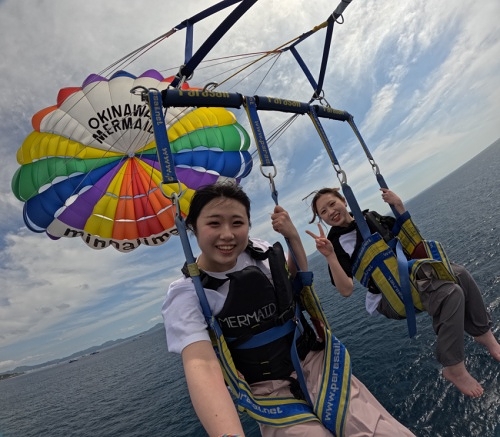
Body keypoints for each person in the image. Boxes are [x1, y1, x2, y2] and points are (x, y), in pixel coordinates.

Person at [162, 182, 416, 437]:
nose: (227, 234)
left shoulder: (259, 250)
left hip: (316, 363)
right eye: (214, 223)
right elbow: (202, 363)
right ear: (192, 227)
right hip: (269, 391)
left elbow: (294, 283)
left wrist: (292, 236)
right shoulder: (186, 294)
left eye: (237, 223)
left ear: (248, 225)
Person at [305, 187, 500, 398]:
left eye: (332, 204)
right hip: (390, 296)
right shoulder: (336, 244)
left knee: (461, 274)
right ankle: (453, 367)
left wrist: (398, 205)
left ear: (343, 200)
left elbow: (407, 236)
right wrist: (330, 256)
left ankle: (484, 335)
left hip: (409, 276)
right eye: (323, 212)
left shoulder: (370, 217)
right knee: (451, 293)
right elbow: (346, 290)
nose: (330, 212)